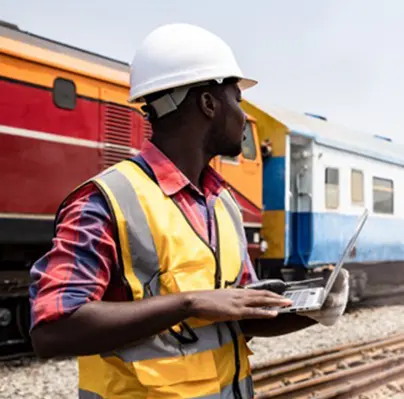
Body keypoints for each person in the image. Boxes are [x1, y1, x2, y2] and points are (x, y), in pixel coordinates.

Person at [27, 23, 349, 399]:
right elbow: (52, 330)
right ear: (208, 104)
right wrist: (189, 302)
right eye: (237, 100)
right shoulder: (104, 202)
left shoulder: (222, 204)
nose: (244, 118)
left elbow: (234, 317)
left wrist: (312, 310)